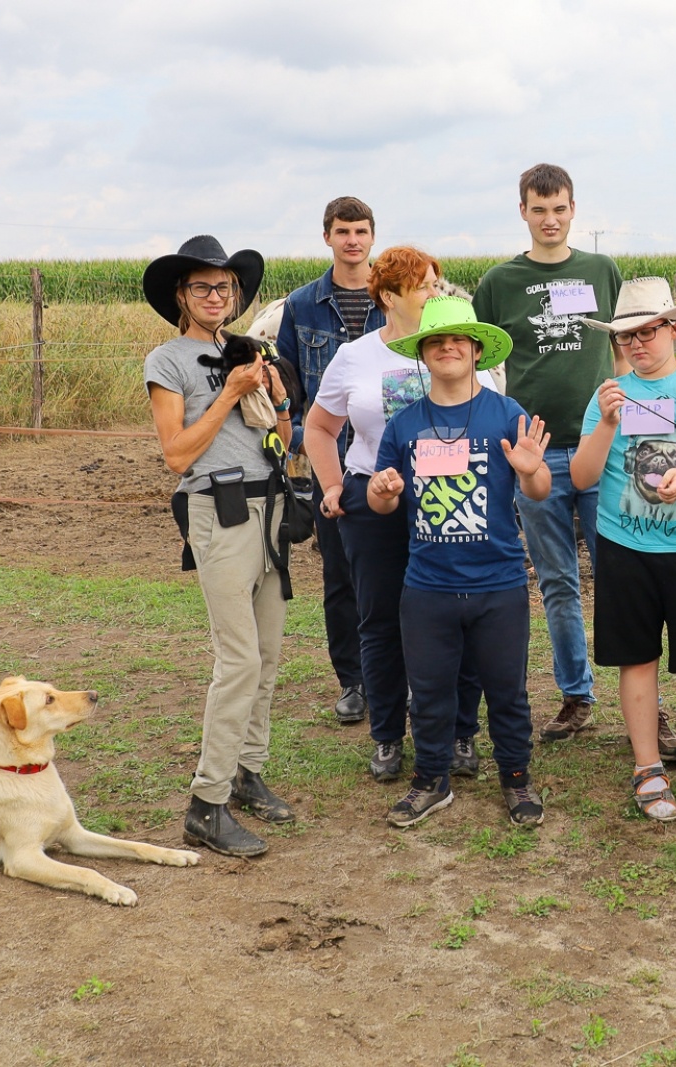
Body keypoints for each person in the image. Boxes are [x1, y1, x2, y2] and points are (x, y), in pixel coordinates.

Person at [302, 246, 497, 785]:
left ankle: (460, 733)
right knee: (381, 620)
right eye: (423, 287)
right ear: (389, 297)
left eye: (436, 283)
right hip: (374, 506)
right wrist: (334, 485)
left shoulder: (460, 349)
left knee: (459, 617)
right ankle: (387, 735)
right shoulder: (355, 357)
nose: (436, 293)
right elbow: (319, 426)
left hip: (450, 500)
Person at [472, 164, 643, 747]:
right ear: (523, 211)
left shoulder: (601, 270)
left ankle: (647, 703)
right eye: (539, 210)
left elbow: (622, 350)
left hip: (603, 446)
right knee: (558, 582)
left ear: (574, 210)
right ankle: (576, 694)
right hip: (536, 452)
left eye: (560, 209)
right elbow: (480, 361)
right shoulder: (500, 281)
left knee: (623, 577)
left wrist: (630, 420)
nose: (550, 220)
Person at [368, 297, 552, 828]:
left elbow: (539, 491)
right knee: (428, 693)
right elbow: (383, 501)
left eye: (458, 340)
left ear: (475, 351)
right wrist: (382, 491)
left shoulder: (507, 413)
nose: (448, 347)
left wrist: (530, 470)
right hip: (427, 586)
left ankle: (515, 778)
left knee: (507, 692)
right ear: (423, 353)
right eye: (436, 340)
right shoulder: (404, 423)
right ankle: (431, 780)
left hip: (499, 583)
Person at [570, 278, 676, 822]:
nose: (637, 344)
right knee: (637, 659)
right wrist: (606, 423)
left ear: (672, 329)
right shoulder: (609, 395)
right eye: (626, 336)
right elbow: (581, 476)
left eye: (647, 332)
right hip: (623, 550)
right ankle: (648, 768)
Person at [142, 236, 294, 858]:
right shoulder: (167, 361)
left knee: (268, 653)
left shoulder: (249, 351)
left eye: (225, 287)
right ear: (181, 295)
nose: (216, 295)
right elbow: (176, 454)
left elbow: (282, 441)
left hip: (271, 506)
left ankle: (246, 772)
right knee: (239, 660)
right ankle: (206, 804)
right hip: (220, 510)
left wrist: (278, 400)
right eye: (203, 286)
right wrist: (230, 392)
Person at [276, 196, 382, 727]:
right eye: (343, 231)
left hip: (388, 461)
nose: (352, 241)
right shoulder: (302, 306)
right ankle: (354, 681)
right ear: (327, 238)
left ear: (372, 236)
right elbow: (287, 382)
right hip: (330, 463)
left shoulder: (395, 301)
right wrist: (299, 436)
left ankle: (397, 674)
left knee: (396, 569)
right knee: (340, 574)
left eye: (361, 231)